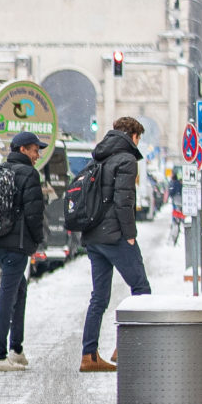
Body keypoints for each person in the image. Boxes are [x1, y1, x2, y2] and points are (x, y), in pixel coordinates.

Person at [77, 117, 152, 372]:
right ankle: (127, 347)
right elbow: (123, 201)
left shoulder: (97, 156)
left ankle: (89, 355)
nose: (138, 142)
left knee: (98, 297)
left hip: (94, 236)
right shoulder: (127, 160)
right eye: (138, 137)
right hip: (115, 235)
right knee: (141, 288)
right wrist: (129, 234)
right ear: (132, 135)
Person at [0, 132, 48, 371]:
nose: (37, 155)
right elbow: (34, 214)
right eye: (34, 150)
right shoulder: (29, 174)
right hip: (17, 244)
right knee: (7, 298)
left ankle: (17, 349)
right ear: (22, 150)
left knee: (19, 291)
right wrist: (38, 239)